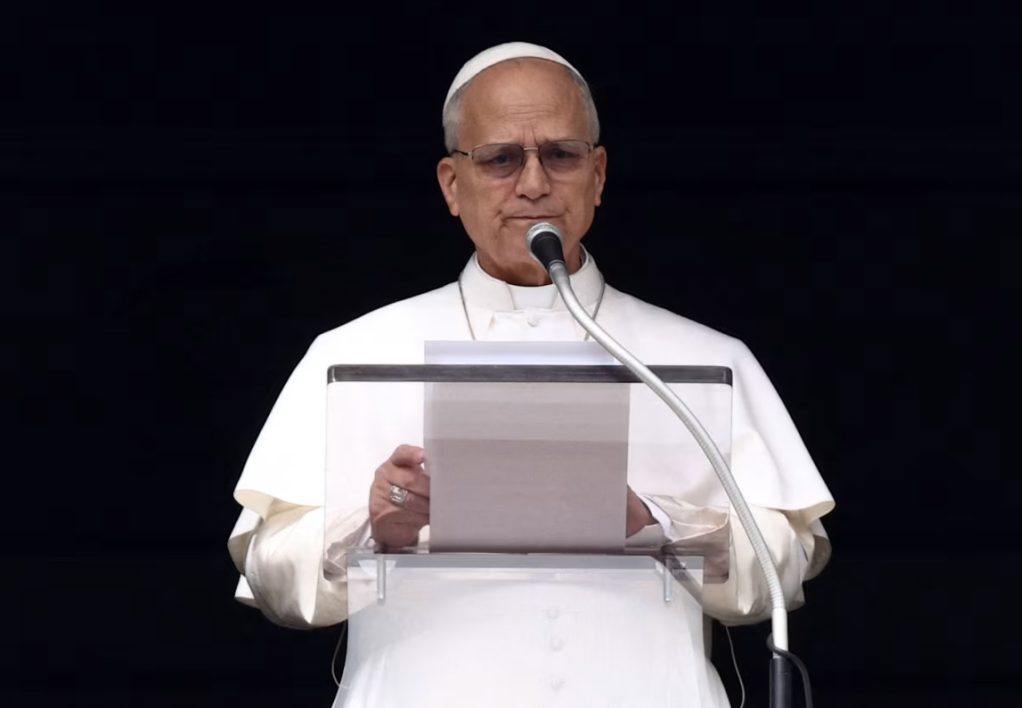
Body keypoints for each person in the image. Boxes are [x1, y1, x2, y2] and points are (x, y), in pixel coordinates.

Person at [228, 42, 834, 706]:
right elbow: (271, 578)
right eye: (500, 160)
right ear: (451, 186)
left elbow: (785, 568)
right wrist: (373, 528)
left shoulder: (704, 359)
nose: (535, 184)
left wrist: (653, 522)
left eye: (562, 155)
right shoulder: (352, 354)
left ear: (598, 176)